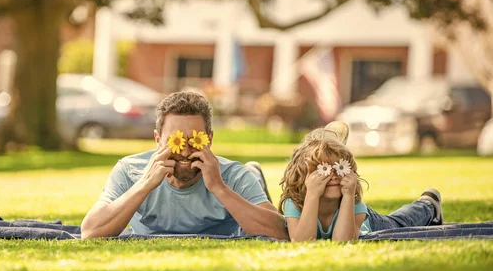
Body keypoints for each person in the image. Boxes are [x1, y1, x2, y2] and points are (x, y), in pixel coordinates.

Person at [81, 91, 288, 240]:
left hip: (234, 182)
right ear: (157, 139)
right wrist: (144, 184)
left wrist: (219, 188)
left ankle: (255, 173)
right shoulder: (129, 170)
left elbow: (281, 233)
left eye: (194, 140)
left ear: (210, 139)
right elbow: (90, 232)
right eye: (175, 140)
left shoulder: (234, 176)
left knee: (249, 179)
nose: (186, 151)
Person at [278, 123, 443, 242]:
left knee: (398, 223)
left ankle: (428, 205)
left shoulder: (351, 199)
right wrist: (313, 194)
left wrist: (349, 194)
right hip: (309, 197)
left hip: (368, 221)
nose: (333, 176)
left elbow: (343, 241)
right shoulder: (297, 202)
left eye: (338, 168)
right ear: (304, 176)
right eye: (324, 169)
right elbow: (302, 242)